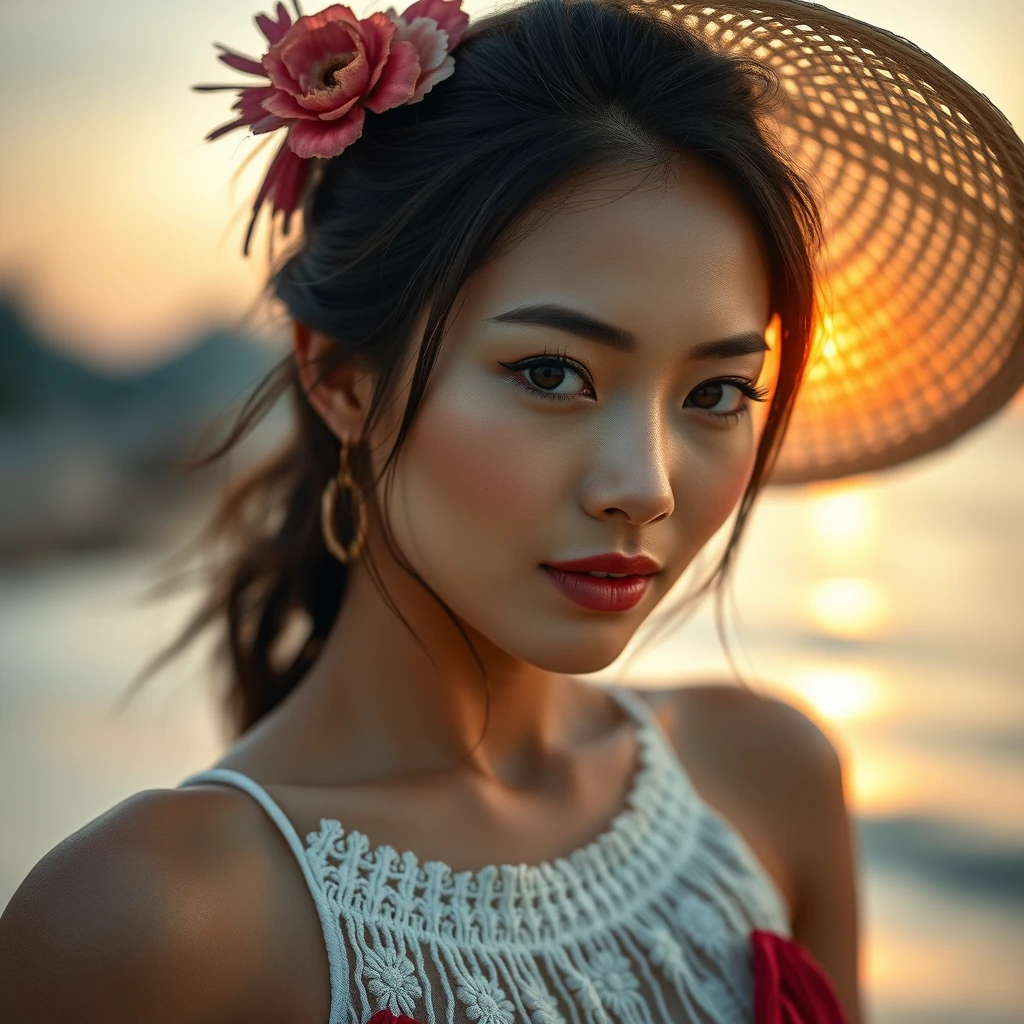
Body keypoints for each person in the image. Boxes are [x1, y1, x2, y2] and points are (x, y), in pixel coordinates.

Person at [2, 0, 1022, 1022]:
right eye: (551, 372)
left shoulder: (767, 777)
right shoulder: (149, 923)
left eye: (715, 393)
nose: (647, 485)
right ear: (345, 380)